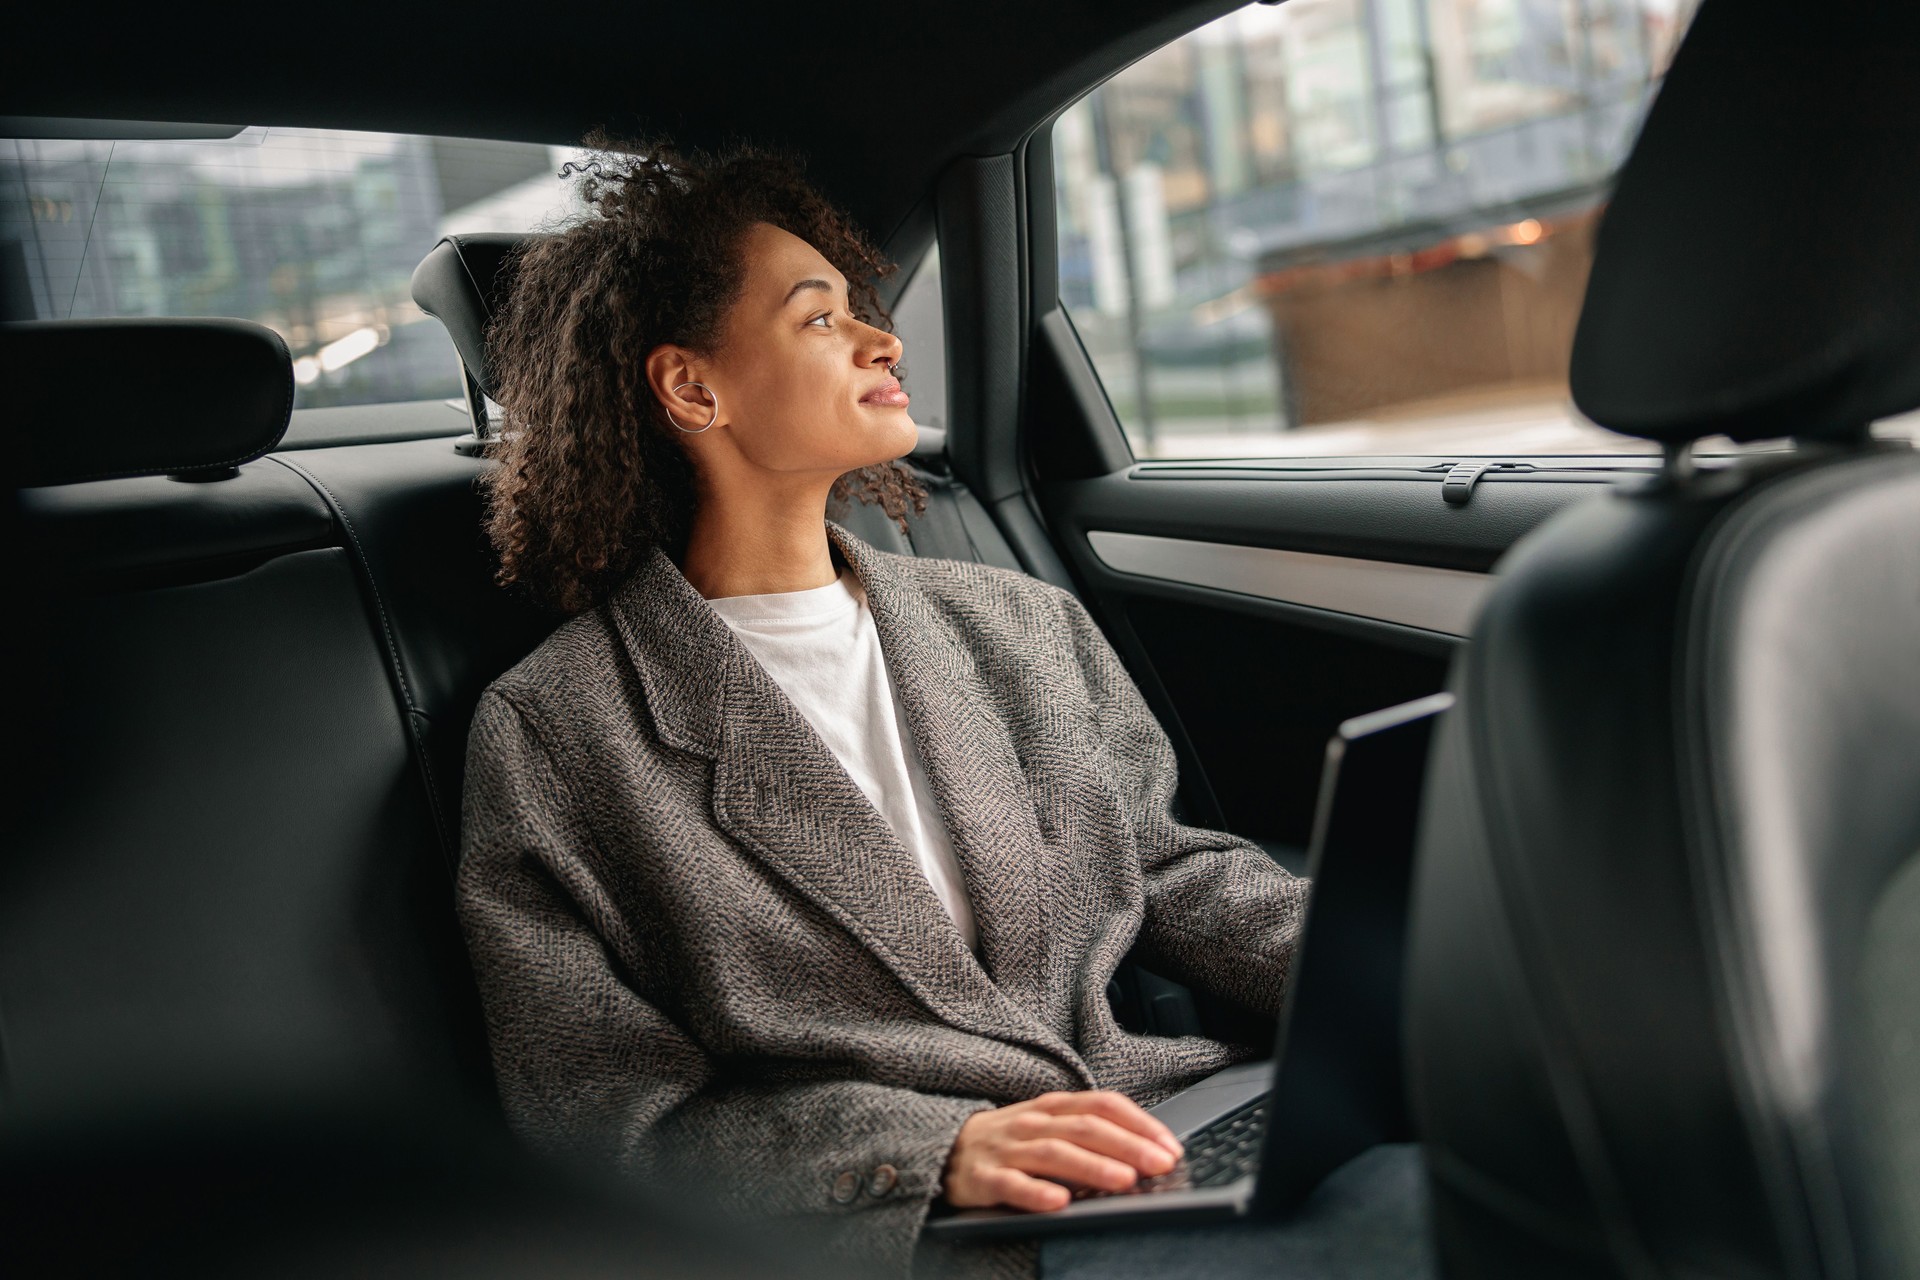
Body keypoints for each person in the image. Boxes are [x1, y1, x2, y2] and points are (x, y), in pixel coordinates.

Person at [455, 136, 1321, 1280]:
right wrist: (932, 1154)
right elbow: (606, 1119)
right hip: (914, 1229)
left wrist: (1400, 957)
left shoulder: (1017, 623)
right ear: (691, 385)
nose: (884, 337)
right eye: (820, 319)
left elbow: (1169, 873)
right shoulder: (558, 731)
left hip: (1156, 1134)